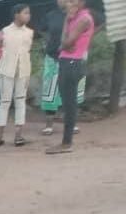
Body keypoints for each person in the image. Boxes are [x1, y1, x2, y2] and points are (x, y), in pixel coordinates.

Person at [47, 0, 95, 154]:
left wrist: (64, 44)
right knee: (68, 103)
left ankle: (67, 143)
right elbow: (64, 42)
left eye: (73, 0)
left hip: (72, 63)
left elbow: (66, 43)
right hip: (69, 62)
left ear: (82, 2)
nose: (70, 3)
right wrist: (67, 20)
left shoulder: (84, 19)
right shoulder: (75, 17)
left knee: (69, 104)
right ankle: (66, 142)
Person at [0, 4, 34, 148]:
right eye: (25, 13)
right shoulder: (4, 32)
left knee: (21, 100)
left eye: (28, 13)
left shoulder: (29, 32)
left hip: (23, 70)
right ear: (16, 14)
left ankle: (18, 135)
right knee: (5, 102)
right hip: (6, 70)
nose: (28, 16)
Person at [40, 0, 84, 136]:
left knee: (72, 90)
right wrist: (49, 41)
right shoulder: (51, 15)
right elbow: (42, 30)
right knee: (50, 91)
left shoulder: (80, 17)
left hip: (73, 57)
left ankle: (72, 123)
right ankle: (49, 125)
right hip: (53, 56)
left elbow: (89, 30)